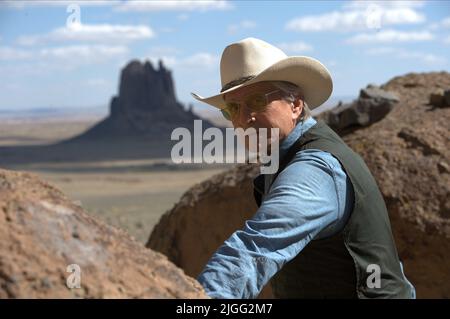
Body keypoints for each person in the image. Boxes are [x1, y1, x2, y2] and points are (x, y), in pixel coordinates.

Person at [191, 37, 415, 299]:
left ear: (295, 105)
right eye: (233, 108)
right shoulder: (284, 155)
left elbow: (255, 248)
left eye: (256, 101)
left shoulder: (314, 169)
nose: (243, 118)